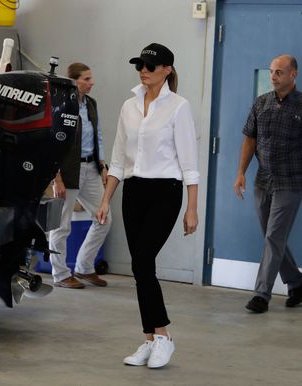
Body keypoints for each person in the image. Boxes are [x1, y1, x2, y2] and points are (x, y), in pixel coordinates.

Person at [96, 43, 199, 368]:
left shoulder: (179, 107)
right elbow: (116, 158)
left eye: (151, 66)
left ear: (167, 69)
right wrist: (105, 200)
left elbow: (190, 163)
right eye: (140, 64)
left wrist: (192, 207)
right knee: (142, 268)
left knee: (142, 261)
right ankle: (150, 339)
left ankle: (164, 336)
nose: (144, 70)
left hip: (166, 192)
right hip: (134, 190)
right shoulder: (129, 106)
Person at [234, 54, 302, 313]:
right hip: (263, 180)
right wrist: (241, 172)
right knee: (271, 236)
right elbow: (250, 139)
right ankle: (296, 282)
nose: (273, 77)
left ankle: (261, 294)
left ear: (293, 74)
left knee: (274, 236)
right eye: (272, 72)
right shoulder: (261, 103)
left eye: (279, 72)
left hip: (291, 182)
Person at [49, 62, 111, 289]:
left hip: (91, 168)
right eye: (86, 78)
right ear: (74, 81)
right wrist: (56, 178)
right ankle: (61, 274)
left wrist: (103, 165)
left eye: (90, 78)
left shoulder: (91, 104)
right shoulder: (62, 104)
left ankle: (85, 267)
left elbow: (99, 136)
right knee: (62, 226)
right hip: (68, 171)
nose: (91, 82)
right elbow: (53, 142)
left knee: (104, 219)